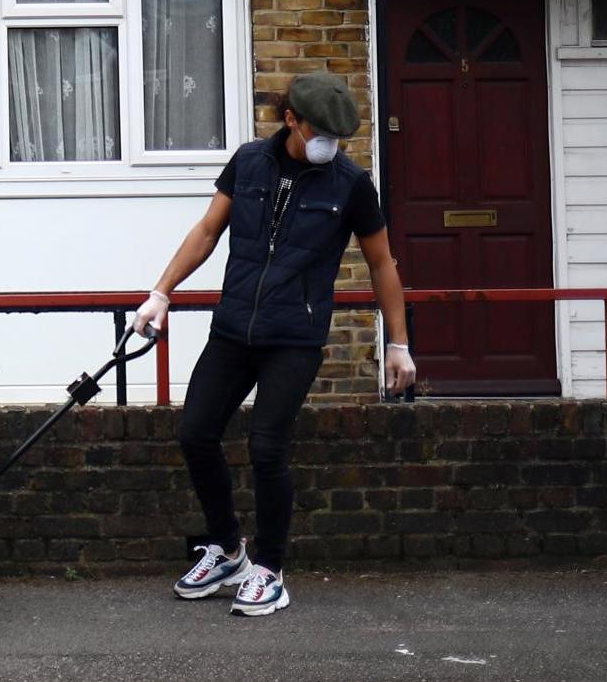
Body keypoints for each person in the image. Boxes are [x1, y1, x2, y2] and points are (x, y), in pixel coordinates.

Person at [132, 71, 416, 618]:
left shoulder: (351, 185)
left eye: (340, 135)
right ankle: (227, 550)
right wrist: (161, 292)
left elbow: (382, 263)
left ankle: (270, 568)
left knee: (267, 447)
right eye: (322, 131)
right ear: (292, 119)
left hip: (295, 336)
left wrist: (399, 344)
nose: (331, 144)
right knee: (195, 432)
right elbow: (209, 230)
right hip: (234, 327)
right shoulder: (249, 162)